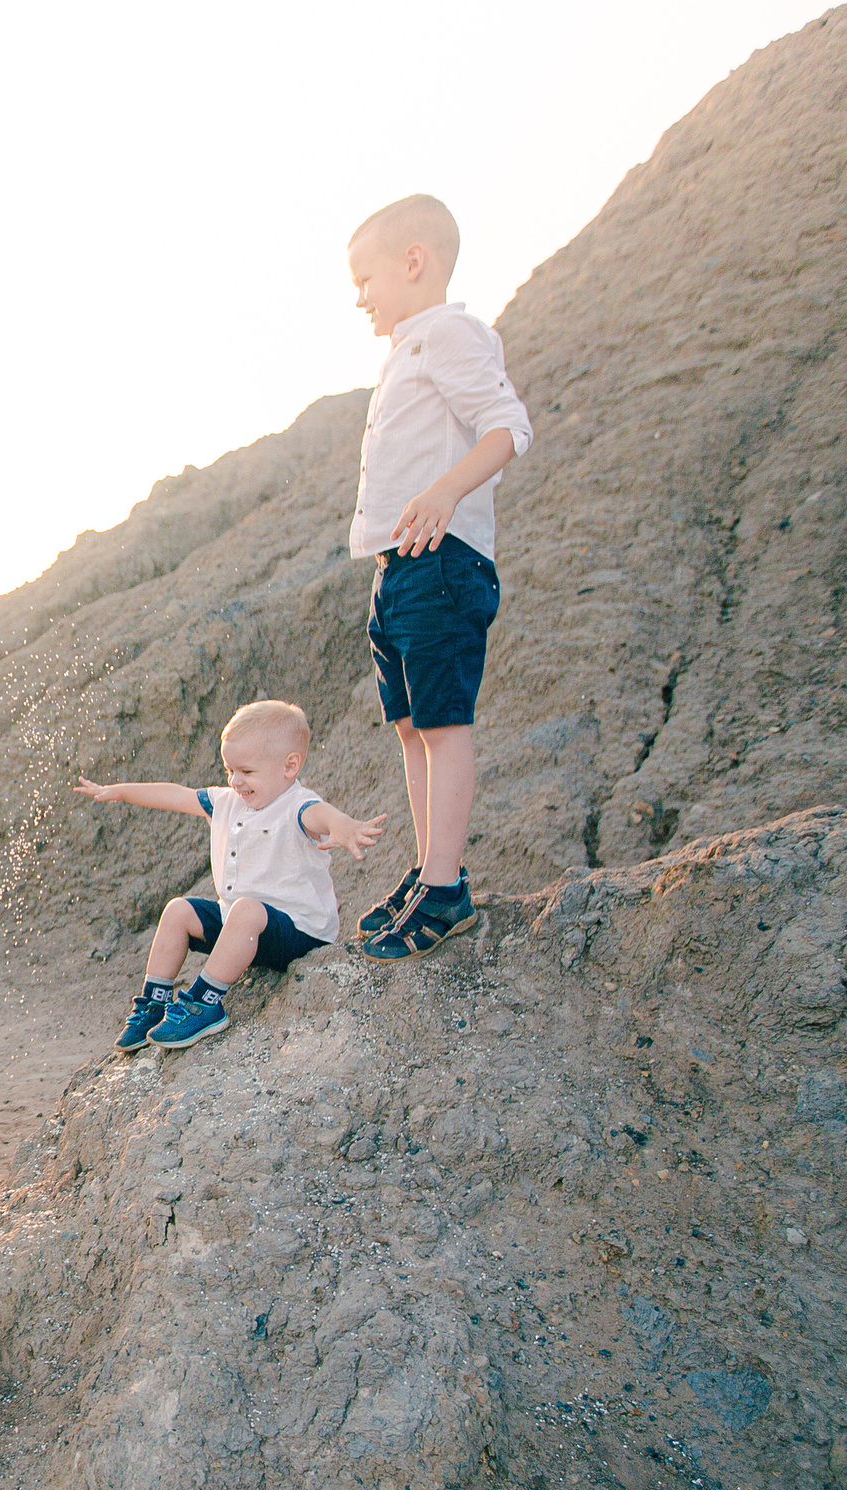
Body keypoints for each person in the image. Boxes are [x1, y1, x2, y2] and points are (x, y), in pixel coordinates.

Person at [345, 193, 534, 961]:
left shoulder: (450, 334)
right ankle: (427, 870)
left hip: (443, 561)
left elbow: (509, 426)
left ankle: (447, 886)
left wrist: (447, 490)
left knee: (444, 725)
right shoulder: (407, 349)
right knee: (411, 726)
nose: (359, 297)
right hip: (398, 567)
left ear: (413, 260)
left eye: (365, 278)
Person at [75, 700, 384, 1051]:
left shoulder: (297, 805)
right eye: (229, 771)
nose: (236, 781)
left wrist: (344, 827)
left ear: (290, 766)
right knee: (179, 910)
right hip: (242, 928)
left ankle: (205, 1003)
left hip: (298, 933)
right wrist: (120, 791)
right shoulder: (227, 802)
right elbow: (177, 794)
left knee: (247, 909)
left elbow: (323, 817)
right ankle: (155, 1003)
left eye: (247, 772)